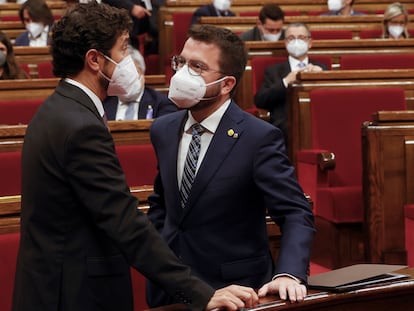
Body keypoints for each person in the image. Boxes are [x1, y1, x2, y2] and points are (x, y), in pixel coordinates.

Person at [11, 3, 259, 311]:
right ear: (94, 59)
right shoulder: (80, 126)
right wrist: (200, 292)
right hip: (73, 292)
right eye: (123, 48)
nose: (128, 60)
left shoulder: (60, 108)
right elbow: (123, 221)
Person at [146, 24, 315, 308]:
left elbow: (295, 211)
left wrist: (289, 273)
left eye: (197, 66)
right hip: (171, 289)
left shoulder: (259, 137)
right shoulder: (163, 129)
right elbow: (163, 202)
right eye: (182, 62)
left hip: (235, 290)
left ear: (227, 84)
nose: (183, 73)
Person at [254, 23, 328, 144]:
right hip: (285, 123)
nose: (296, 42)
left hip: (317, 120)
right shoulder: (273, 70)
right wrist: (285, 81)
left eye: (301, 38)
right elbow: (260, 100)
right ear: (285, 43)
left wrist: (321, 77)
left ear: (310, 43)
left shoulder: (322, 68)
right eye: (291, 38)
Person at [103, 45, 177, 120]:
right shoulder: (104, 103)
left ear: (142, 72)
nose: (126, 79)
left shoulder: (160, 103)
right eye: (121, 74)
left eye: (130, 73)